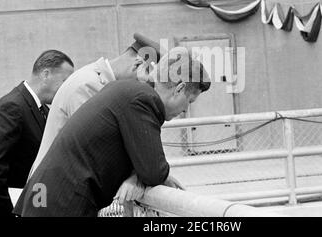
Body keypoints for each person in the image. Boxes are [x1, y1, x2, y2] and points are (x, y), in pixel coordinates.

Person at [15, 50, 210, 216]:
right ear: (179, 89)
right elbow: (153, 170)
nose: (185, 110)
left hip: (48, 198)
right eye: (189, 101)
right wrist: (158, 175)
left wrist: (142, 175)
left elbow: (143, 160)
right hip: (60, 204)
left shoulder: (129, 90)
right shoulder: (144, 100)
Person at [0, 50, 74, 217]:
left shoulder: (42, 110)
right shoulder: (12, 107)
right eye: (64, 81)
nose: (65, 89)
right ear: (46, 74)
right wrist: (7, 213)